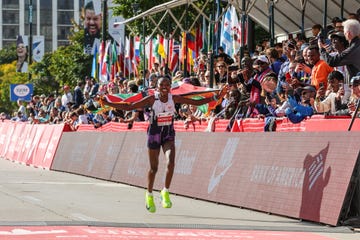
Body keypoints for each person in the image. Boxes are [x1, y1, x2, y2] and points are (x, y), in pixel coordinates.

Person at [101, 77, 228, 213]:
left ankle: (165, 191)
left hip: (168, 133)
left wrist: (216, 96)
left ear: (170, 87)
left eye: (167, 85)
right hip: (154, 134)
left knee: (171, 163)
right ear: (158, 87)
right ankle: (149, 194)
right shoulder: (152, 100)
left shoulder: (174, 99)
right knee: (153, 168)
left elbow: (196, 101)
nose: (165, 87)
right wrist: (109, 104)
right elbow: (130, 106)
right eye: (162, 85)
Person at [319, 19, 360, 85]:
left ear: (348, 33)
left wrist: (322, 49)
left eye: (344, 31)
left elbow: (331, 62)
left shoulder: (353, 49)